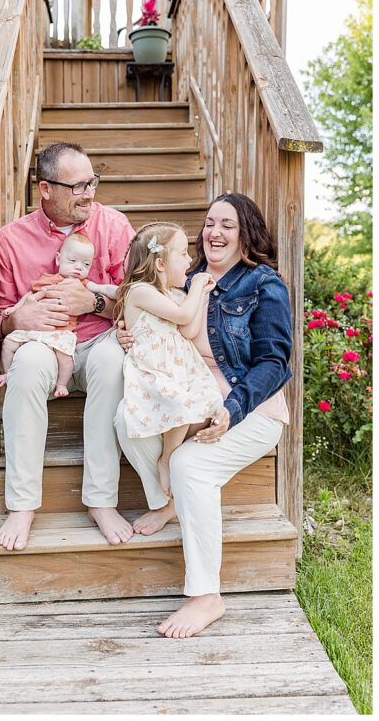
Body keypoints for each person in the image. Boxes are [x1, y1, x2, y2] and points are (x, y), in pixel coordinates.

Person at [114, 193, 292, 638]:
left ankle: (206, 595)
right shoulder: (183, 278)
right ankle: (169, 502)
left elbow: (275, 363)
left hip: (249, 407)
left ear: (246, 233)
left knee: (190, 464)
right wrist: (127, 333)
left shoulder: (263, 284)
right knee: (125, 419)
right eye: (209, 222)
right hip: (187, 397)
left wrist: (232, 409)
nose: (214, 232)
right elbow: (148, 315)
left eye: (227, 225)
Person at [0, 141, 164, 550]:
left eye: (92, 182)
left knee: (111, 364)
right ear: (46, 189)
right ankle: (21, 506)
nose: (90, 193)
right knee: (29, 365)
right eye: (78, 186)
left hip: (99, 337)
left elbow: (138, 298)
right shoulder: (10, 240)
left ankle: (101, 501)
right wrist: (17, 319)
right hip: (44, 343)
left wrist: (93, 301)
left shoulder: (115, 226)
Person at [116, 222, 223, 497]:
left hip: (180, 369)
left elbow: (188, 330)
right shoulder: (140, 291)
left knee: (207, 399)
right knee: (177, 401)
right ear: (161, 264)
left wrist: (198, 293)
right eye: (183, 253)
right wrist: (198, 284)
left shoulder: (175, 295)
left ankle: (176, 460)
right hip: (153, 370)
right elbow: (184, 317)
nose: (190, 260)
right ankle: (167, 459)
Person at [0, 232, 118, 396]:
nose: (78, 267)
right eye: (73, 261)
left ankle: (61, 384)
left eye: (86, 264)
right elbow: (29, 295)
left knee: (65, 358)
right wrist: (15, 309)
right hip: (36, 332)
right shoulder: (47, 279)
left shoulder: (82, 284)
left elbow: (102, 289)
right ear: (58, 259)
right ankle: (7, 372)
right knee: (9, 344)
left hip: (61, 334)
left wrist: (119, 292)